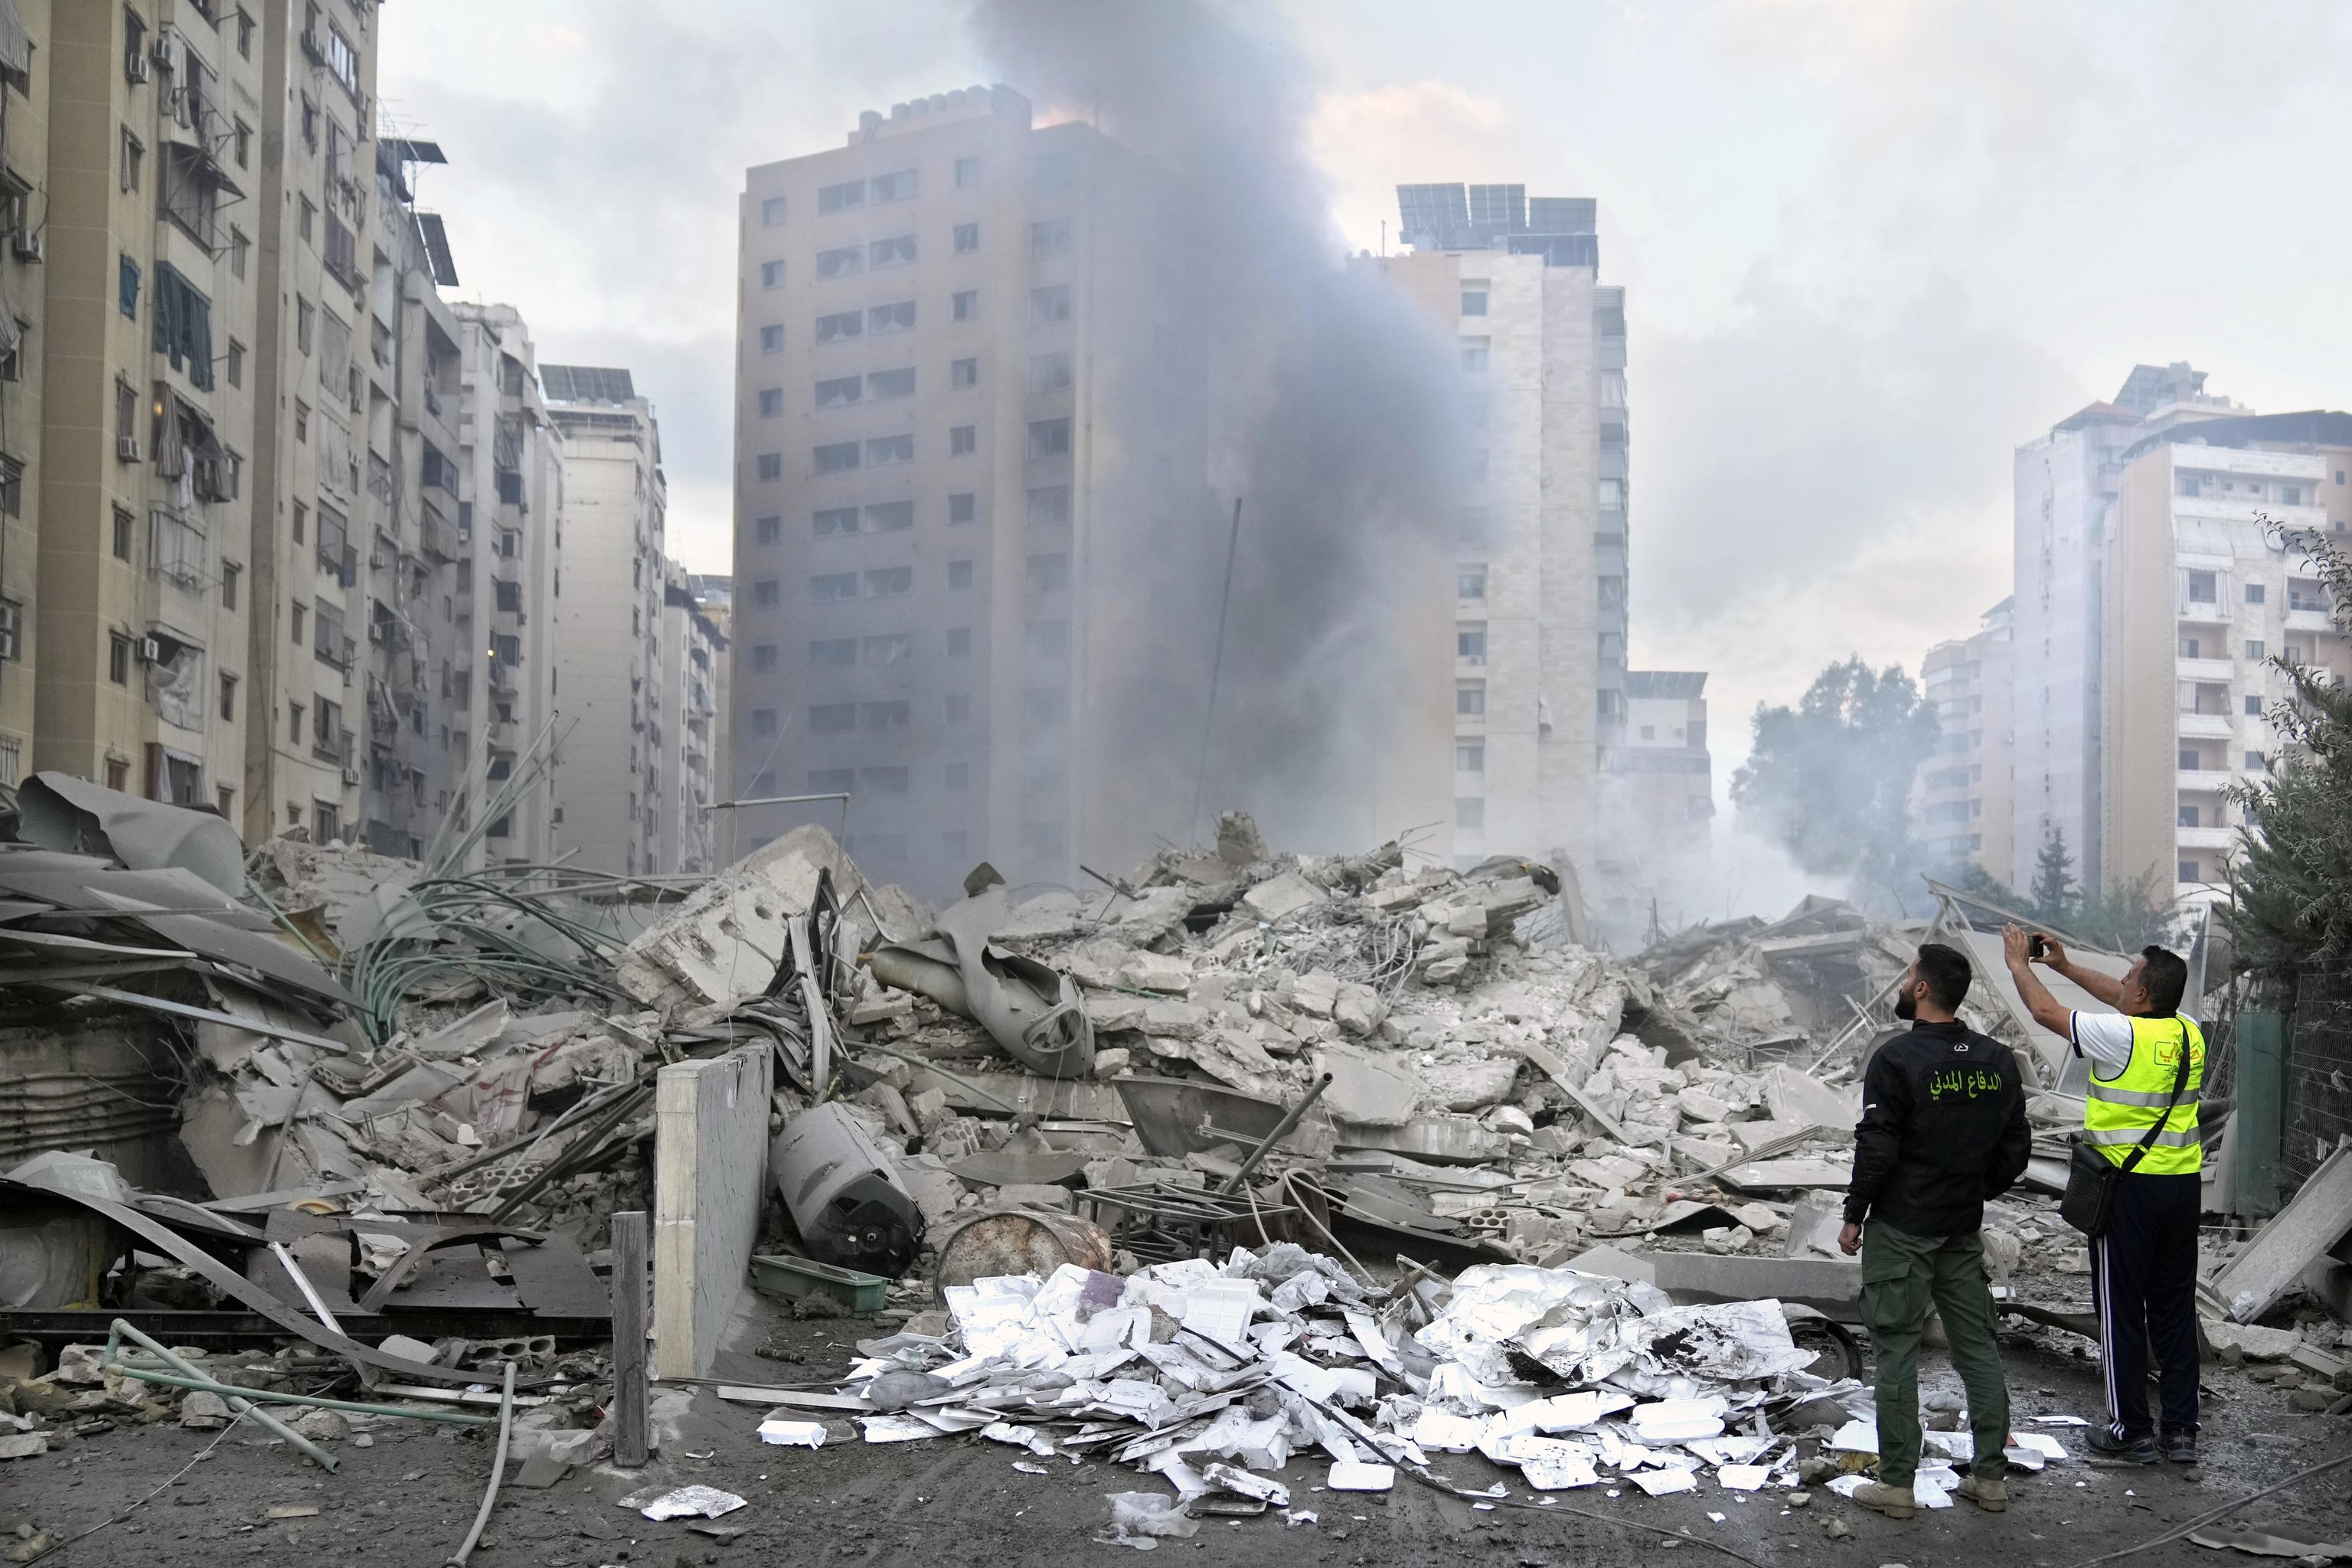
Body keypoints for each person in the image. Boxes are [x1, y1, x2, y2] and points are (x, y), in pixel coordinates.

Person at [1839, 942, 2030, 1520]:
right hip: (1960, 1227)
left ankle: (1897, 1486)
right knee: (1977, 1350)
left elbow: (1878, 1147)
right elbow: (2016, 1150)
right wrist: (1971, 1189)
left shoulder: (1895, 1060)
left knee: (1896, 1349)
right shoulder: (1998, 1061)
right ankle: (1990, 1478)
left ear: (1923, 988)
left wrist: (1855, 1213)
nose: (1902, 983)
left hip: (1902, 1227)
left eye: (1908, 976)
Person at [2001, 926, 2202, 1468]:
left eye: (2129, 976)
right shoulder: (2189, 1031)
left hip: (2129, 1192)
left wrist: (2020, 965)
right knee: (2175, 1310)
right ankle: (2181, 1432)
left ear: (2142, 995)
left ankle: (2129, 1430)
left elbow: (2046, 1014)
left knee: (2119, 1311)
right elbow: (2116, 996)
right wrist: (2063, 965)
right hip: (2182, 1188)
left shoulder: (2122, 1037)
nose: (2120, 981)